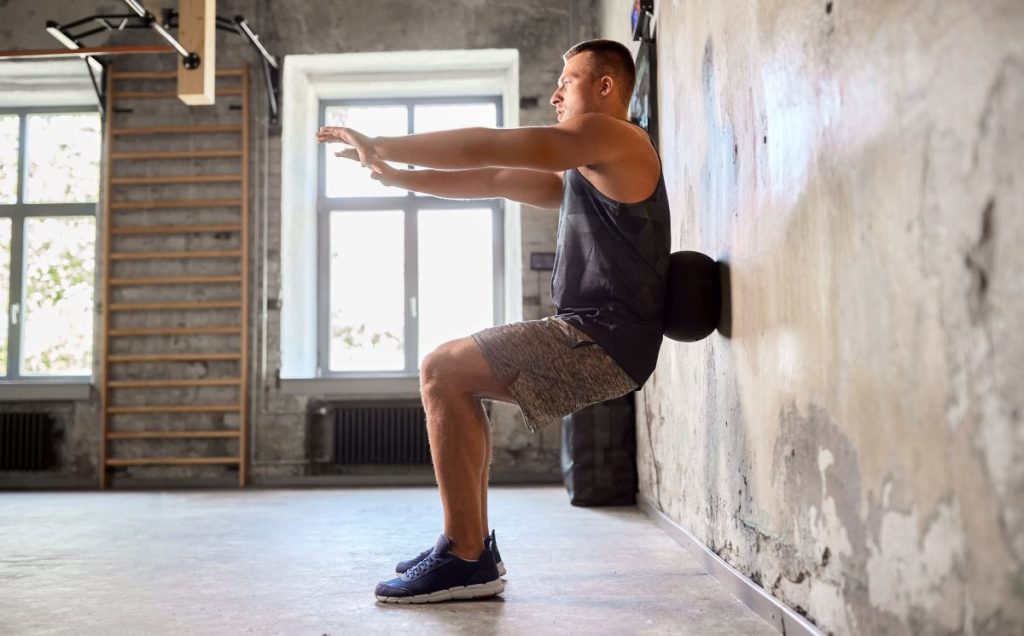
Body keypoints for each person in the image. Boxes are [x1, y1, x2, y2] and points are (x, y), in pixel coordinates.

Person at [316, 38, 670, 604]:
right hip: (595, 334)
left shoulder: (616, 137)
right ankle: (468, 546)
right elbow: (496, 177)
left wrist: (381, 140)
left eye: (569, 80)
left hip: (603, 338)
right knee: (453, 377)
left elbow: (494, 142)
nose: (555, 94)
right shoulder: (589, 168)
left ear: (605, 87)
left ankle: (466, 557)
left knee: (442, 369)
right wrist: (394, 175)